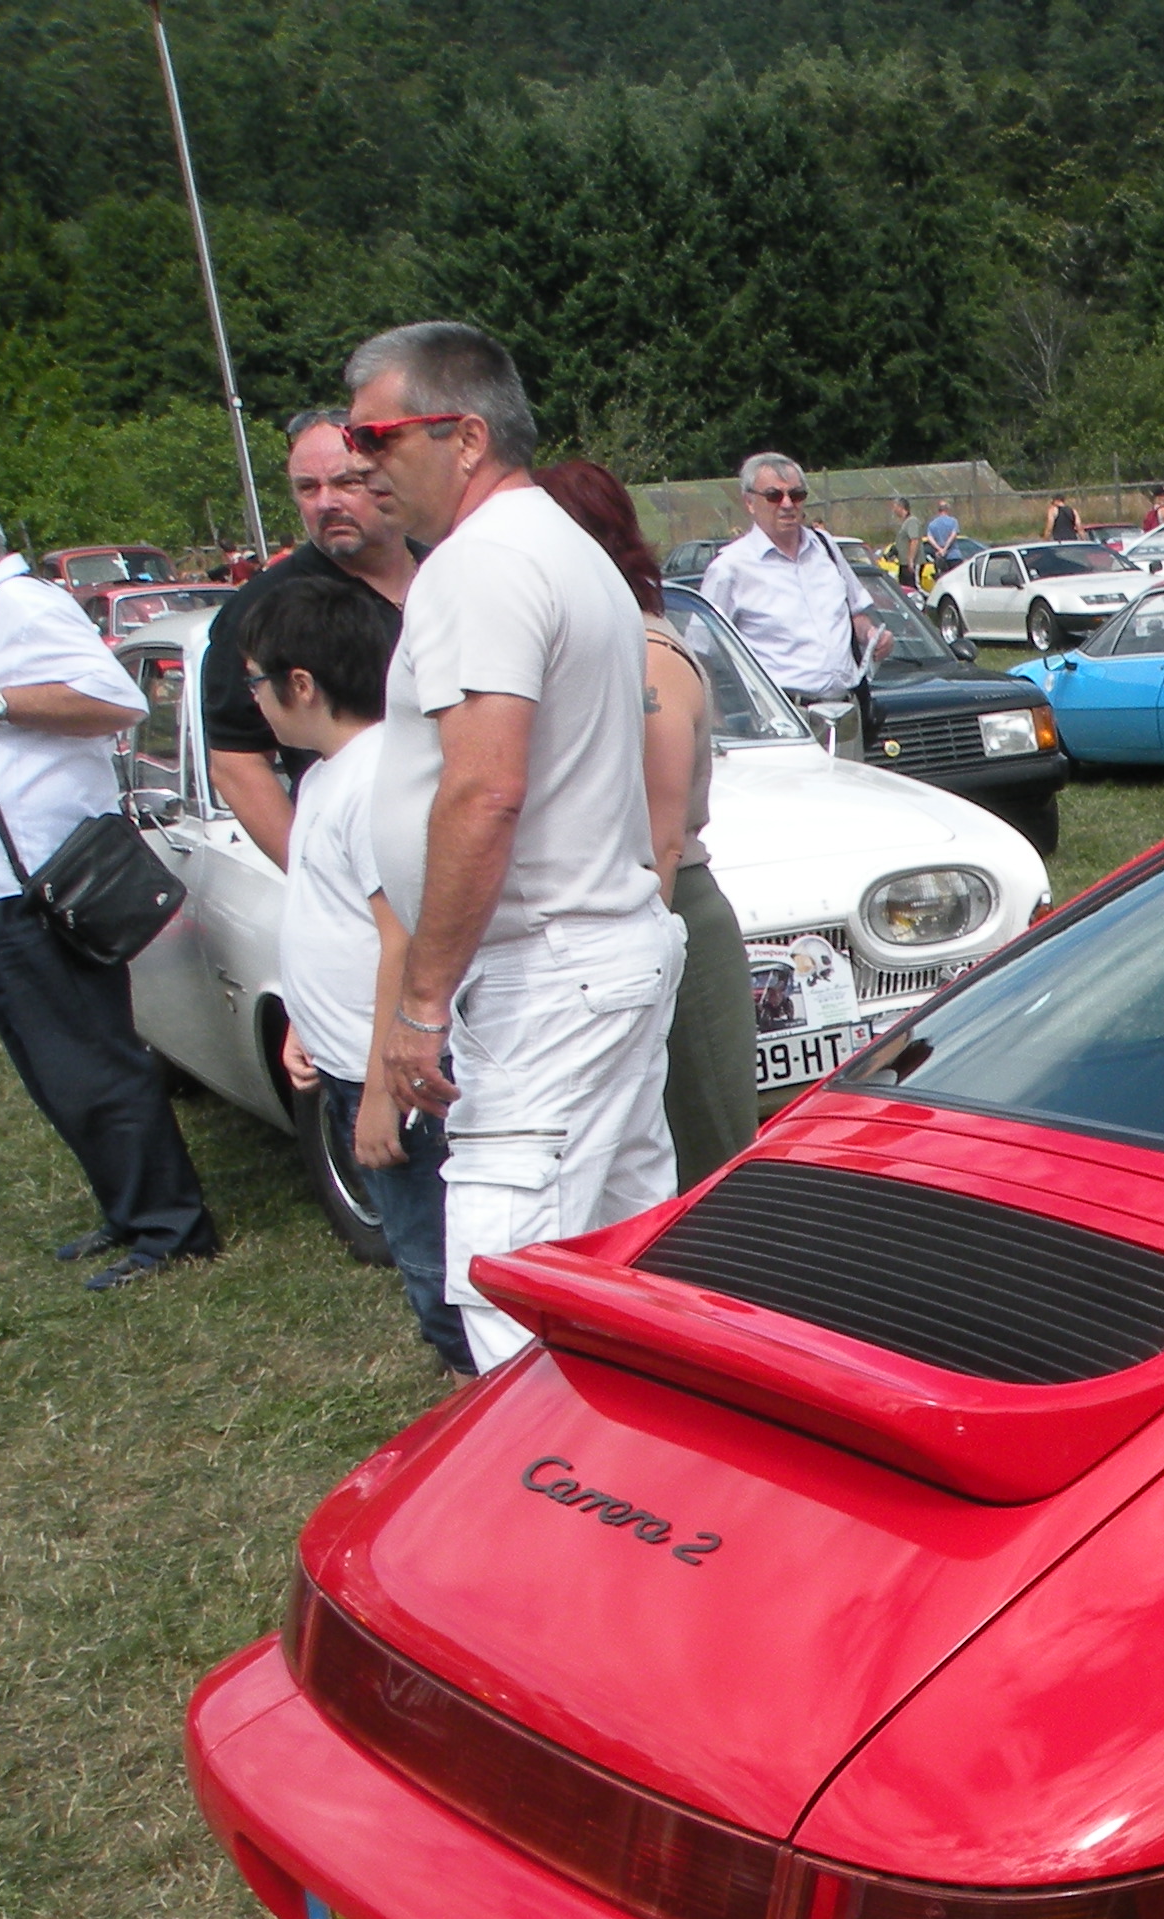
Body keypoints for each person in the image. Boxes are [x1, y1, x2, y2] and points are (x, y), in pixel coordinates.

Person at [346, 319, 682, 1372]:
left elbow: (486, 789)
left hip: (547, 974)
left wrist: (419, 1005)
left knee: (512, 1284)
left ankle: (553, 1519)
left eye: (377, 438)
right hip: (596, 950)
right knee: (620, 1261)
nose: (361, 467)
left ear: (465, 435)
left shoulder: (481, 566)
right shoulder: (562, 550)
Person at [0, 481, 214, 1288]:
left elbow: (116, 700)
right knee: (55, 1063)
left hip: (28, 888)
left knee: (89, 1061)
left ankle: (169, 1226)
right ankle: (130, 1206)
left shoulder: (22, 608)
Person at [226, 571, 466, 1373]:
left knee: (432, 1251)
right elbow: (330, 918)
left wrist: (376, 1094)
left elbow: (397, 939)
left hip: (393, 1075)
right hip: (348, 1057)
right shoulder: (325, 773)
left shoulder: (370, 781)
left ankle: (477, 1379)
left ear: (303, 683)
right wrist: (303, 1015)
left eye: (257, 681)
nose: (251, 699)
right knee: (411, 1234)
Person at [541, 459, 759, 1181]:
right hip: (634, 921)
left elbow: (660, 837)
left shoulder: (648, 655)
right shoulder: (601, 643)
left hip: (671, 921)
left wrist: (636, 961)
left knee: (707, 1152)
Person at [201, 408, 417, 868]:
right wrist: (320, 876)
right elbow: (236, 763)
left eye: (346, 483)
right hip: (367, 862)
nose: (325, 503)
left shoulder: (451, 566)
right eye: (307, 488)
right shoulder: (265, 607)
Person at [700, 455, 879, 700]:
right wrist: (716, 720)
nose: (787, 504)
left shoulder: (825, 547)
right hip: (784, 716)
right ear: (750, 502)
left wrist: (871, 636)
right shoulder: (730, 568)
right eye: (774, 496)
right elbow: (701, 652)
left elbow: (855, 612)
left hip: (847, 710)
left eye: (796, 495)